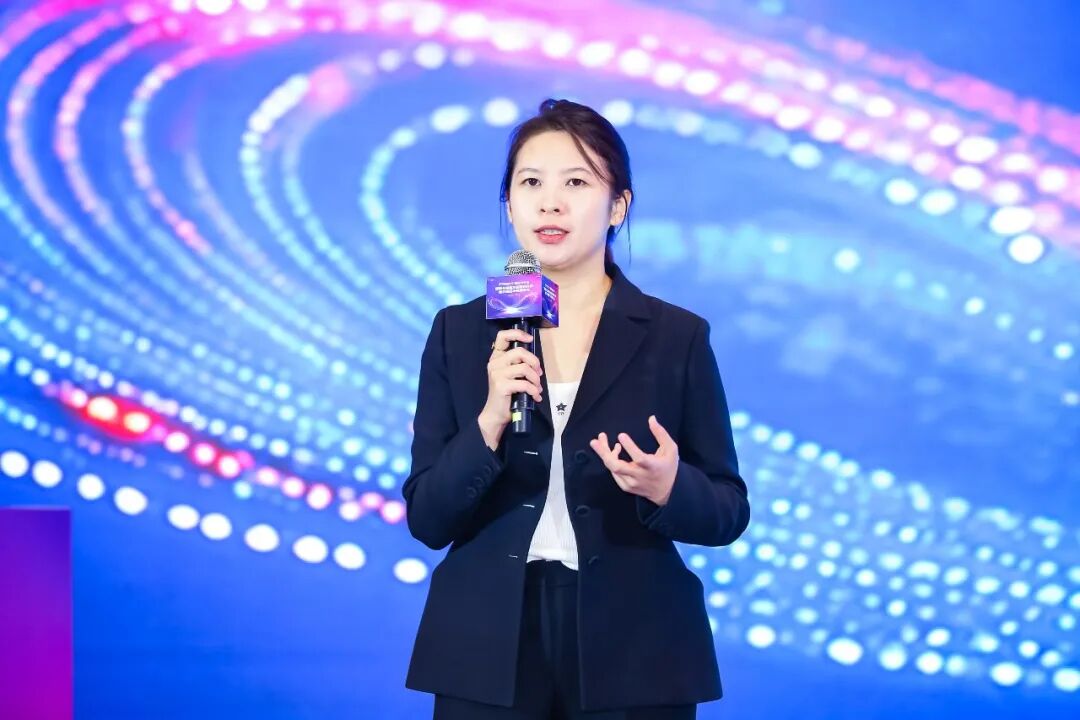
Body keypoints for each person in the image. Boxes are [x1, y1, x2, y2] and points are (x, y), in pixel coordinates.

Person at [402, 99, 750, 720]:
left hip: (635, 644)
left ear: (618, 206)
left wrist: (669, 487)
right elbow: (428, 519)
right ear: (510, 204)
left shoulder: (676, 336)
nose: (550, 203)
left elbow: (728, 510)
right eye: (531, 183)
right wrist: (489, 422)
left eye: (576, 183)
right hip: (486, 644)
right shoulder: (459, 332)